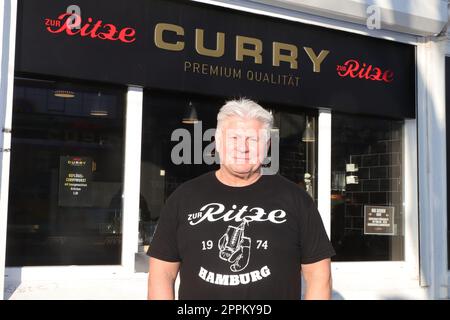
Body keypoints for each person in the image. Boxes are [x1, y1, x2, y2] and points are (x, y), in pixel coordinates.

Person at [147, 98, 335, 300]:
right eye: (234, 138)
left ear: (267, 145)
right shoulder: (183, 198)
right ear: (218, 142)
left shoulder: (296, 199)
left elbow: (319, 275)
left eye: (252, 140)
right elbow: (161, 274)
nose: (242, 148)